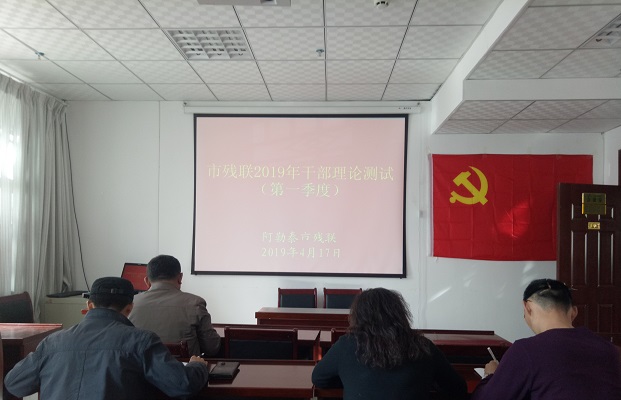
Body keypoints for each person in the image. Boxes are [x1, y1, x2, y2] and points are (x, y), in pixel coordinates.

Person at [4, 277, 210, 400]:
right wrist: (197, 366)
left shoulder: (52, 342)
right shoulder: (142, 341)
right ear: (129, 308)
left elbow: (14, 384)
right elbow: (182, 385)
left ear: (89, 306)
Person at [472, 278, 621, 400]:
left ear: (527, 308)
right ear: (574, 312)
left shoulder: (526, 350)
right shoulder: (612, 351)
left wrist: (490, 375)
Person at [312, 287, 467, 400]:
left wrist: (350, 380)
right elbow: (457, 388)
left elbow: (319, 378)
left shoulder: (346, 345)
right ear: (400, 314)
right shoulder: (423, 346)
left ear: (358, 316)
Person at [129, 254, 221, 356]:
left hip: (139, 366)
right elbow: (212, 347)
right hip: (183, 366)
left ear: (147, 281)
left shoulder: (129, 304)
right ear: (180, 278)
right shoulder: (195, 303)